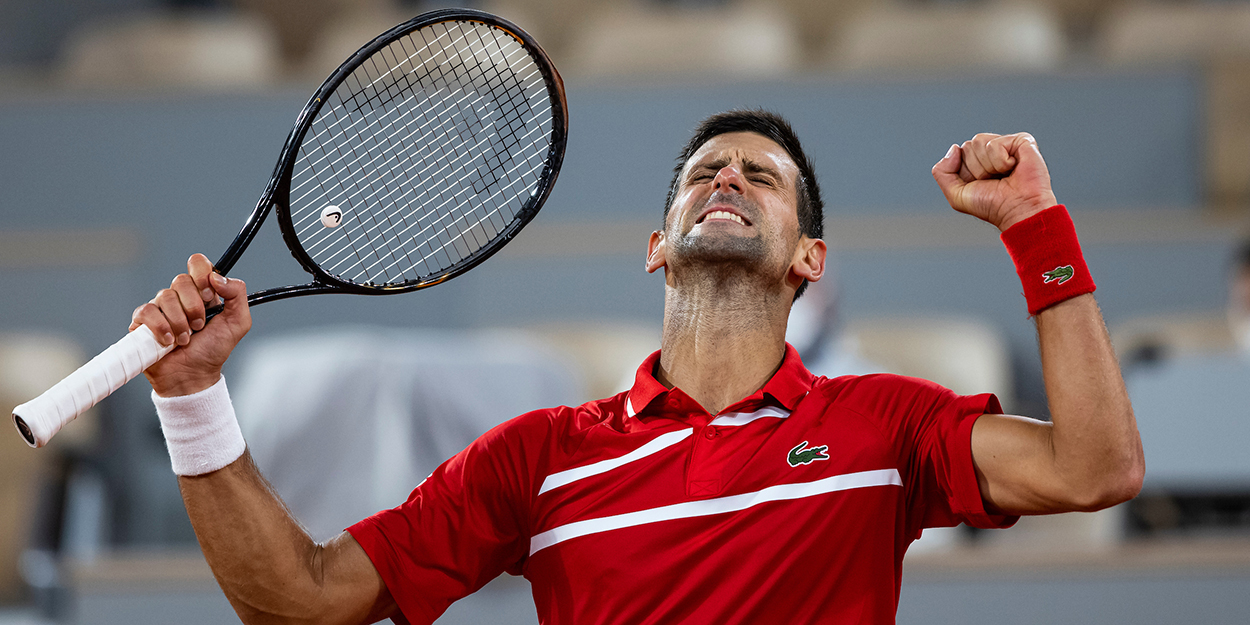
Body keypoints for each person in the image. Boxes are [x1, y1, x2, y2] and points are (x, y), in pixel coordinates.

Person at [130, 110, 1144, 625]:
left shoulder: (885, 425)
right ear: (655, 245)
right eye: (704, 171)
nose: (728, 178)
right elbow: (301, 600)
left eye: (761, 176)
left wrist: (1031, 225)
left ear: (808, 261)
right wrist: (192, 397)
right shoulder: (536, 459)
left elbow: (1094, 469)